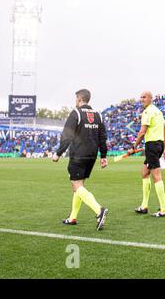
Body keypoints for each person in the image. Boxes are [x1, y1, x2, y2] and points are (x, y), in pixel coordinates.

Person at [52, 89, 109, 230]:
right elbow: (103, 137)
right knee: (79, 186)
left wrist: (58, 153)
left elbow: (67, 135)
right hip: (92, 155)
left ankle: (99, 210)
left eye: (75, 98)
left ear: (79, 99)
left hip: (78, 154)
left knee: (76, 184)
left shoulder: (76, 113)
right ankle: (72, 217)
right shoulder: (98, 115)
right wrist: (103, 156)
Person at [128, 91, 165, 217]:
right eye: (140, 97)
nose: (142, 99)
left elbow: (142, 132)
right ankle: (144, 206)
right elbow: (164, 130)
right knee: (144, 173)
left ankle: (163, 209)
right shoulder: (158, 111)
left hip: (152, 145)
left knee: (156, 176)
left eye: (144, 97)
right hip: (159, 144)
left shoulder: (147, 112)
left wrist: (134, 147)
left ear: (151, 98)